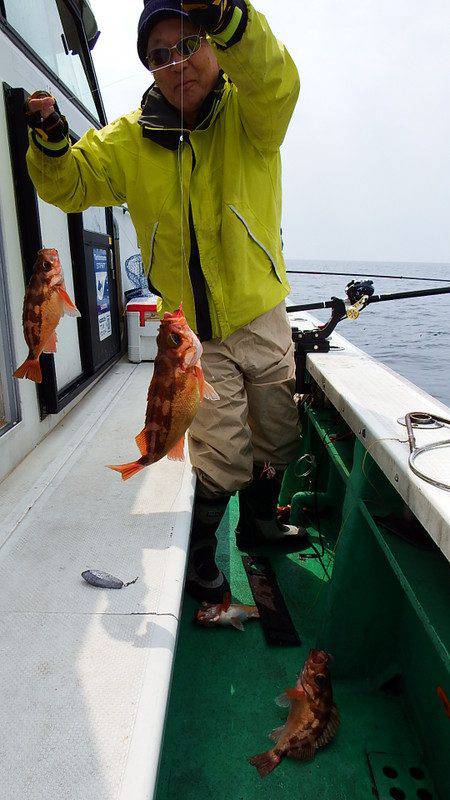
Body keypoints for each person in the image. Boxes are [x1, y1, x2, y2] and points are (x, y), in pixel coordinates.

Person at [25, 0, 302, 604]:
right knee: (221, 451)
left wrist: (229, 16)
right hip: (190, 331)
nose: (176, 63)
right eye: (159, 54)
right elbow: (69, 183)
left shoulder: (252, 113)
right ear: (148, 66)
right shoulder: (128, 140)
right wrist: (50, 139)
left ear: (214, 42)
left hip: (261, 313)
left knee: (280, 430)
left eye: (189, 43)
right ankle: (200, 552)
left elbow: (275, 79)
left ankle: (260, 518)